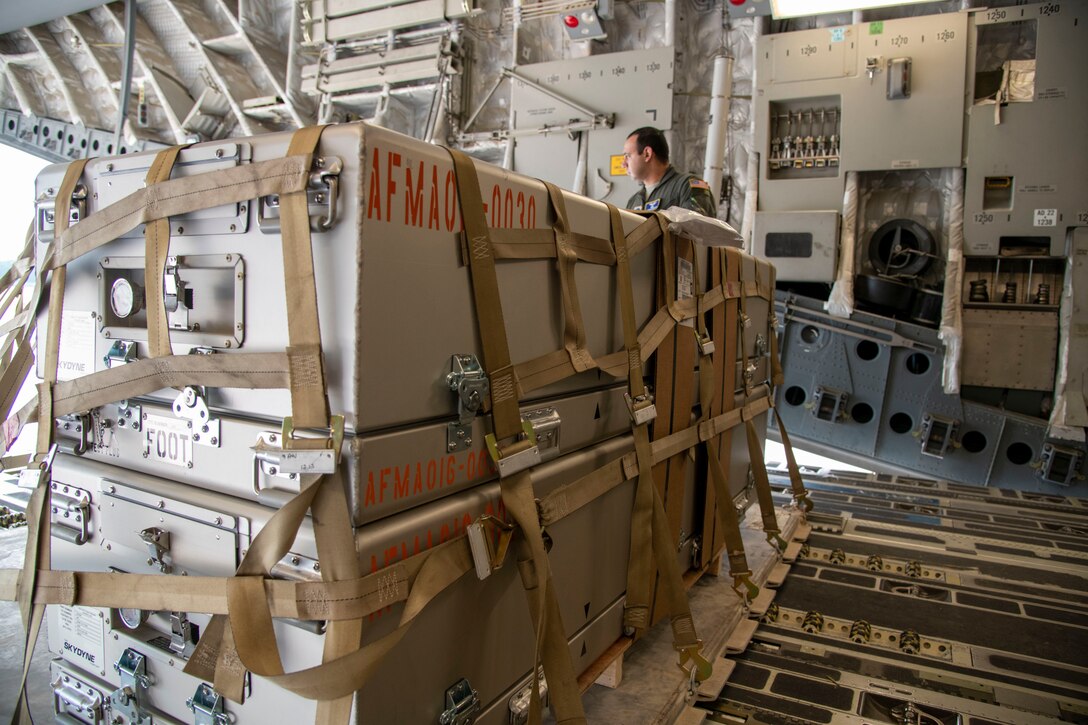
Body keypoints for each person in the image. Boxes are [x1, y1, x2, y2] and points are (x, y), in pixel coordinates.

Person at [622, 127, 717, 217]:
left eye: (627, 156)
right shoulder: (634, 201)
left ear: (647, 154)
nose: (623, 164)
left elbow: (701, 230)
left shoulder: (688, 185)